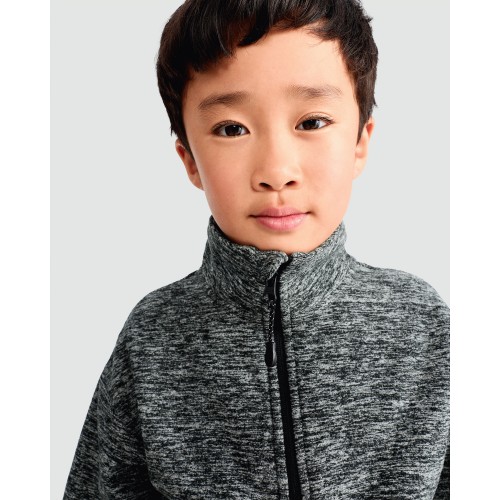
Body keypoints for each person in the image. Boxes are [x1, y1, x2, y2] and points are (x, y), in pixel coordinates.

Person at [63, 0, 449, 498]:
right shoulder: (152, 338)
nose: (276, 171)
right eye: (232, 129)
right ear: (189, 159)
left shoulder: (423, 325)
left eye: (312, 122)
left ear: (360, 142)